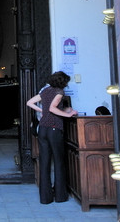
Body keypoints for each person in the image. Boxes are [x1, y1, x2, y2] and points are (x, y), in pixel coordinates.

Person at [27, 71, 78, 204]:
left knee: (44, 163)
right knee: (59, 162)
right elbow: (52, 108)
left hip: (43, 129)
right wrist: (68, 115)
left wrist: (42, 111)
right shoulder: (59, 92)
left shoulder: (45, 91)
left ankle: (45, 198)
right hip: (54, 129)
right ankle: (60, 196)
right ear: (62, 82)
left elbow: (30, 102)